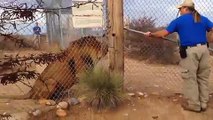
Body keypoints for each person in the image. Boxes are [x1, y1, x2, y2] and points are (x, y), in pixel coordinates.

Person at [144, 0, 213, 112]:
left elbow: (164, 33)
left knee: (190, 78)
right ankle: (204, 103)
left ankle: (194, 105)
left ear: (185, 8)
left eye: (180, 9)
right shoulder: (202, 18)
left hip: (190, 51)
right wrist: (209, 38)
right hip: (204, 50)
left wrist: (151, 34)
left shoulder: (179, 21)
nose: (179, 11)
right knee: (202, 77)